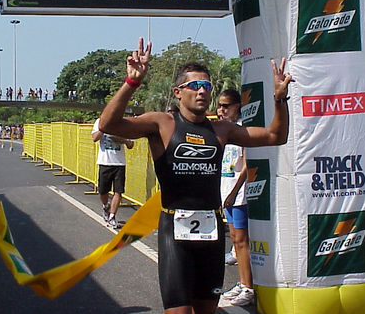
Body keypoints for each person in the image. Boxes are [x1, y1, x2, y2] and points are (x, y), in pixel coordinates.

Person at [99, 38, 292, 314]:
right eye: (195, 86)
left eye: (207, 86)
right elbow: (108, 124)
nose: (202, 91)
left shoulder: (221, 130)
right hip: (174, 231)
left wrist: (279, 98)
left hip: (211, 232)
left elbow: (276, 135)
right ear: (178, 92)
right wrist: (132, 83)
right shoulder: (162, 123)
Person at [217, 89, 254, 306]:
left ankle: (248, 287)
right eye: (220, 106)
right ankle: (242, 283)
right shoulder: (222, 131)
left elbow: (248, 165)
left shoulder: (241, 130)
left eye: (226, 106)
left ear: (237, 107)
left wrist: (233, 193)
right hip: (226, 192)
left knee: (241, 241)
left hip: (239, 196)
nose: (221, 110)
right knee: (234, 238)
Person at [91, 118, 134, 228]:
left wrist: (122, 140)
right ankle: (106, 206)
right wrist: (103, 128)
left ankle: (112, 216)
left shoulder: (124, 124)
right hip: (105, 162)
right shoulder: (100, 122)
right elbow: (94, 138)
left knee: (118, 191)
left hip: (119, 164)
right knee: (102, 191)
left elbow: (131, 144)